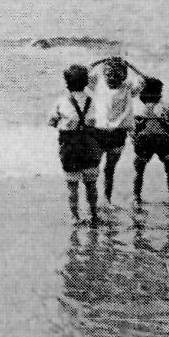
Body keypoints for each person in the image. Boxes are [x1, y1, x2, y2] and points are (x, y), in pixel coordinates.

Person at [48, 64, 102, 227]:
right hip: (90, 144)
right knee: (91, 183)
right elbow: (95, 121)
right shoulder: (91, 101)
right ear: (85, 83)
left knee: (72, 185)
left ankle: (75, 216)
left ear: (67, 83)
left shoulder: (62, 101)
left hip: (70, 146)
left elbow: (51, 122)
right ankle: (93, 214)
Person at [88, 58, 143, 208]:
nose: (112, 78)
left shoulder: (127, 89)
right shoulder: (98, 87)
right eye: (108, 74)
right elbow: (85, 74)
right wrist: (101, 61)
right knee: (93, 169)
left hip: (118, 135)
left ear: (124, 76)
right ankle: (93, 202)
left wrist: (130, 65)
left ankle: (107, 200)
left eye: (116, 75)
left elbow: (143, 81)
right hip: (98, 133)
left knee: (109, 169)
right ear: (103, 75)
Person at [132, 77, 169, 205]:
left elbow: (134, 129)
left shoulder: (139, 107)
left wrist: (135, 143)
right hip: (163, 139)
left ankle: (136, 197)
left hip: (144, 139)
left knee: (139, 170)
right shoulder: (165, 106)